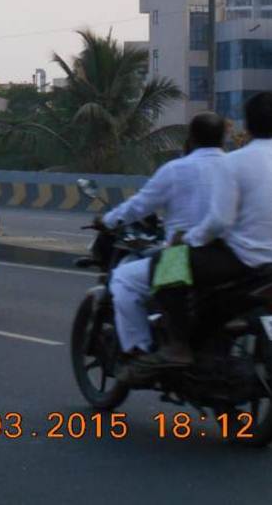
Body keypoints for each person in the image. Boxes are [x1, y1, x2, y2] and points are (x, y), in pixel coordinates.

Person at [159, 93, 272, 355]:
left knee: (171, 261)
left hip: (246, 263)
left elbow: (219, 221)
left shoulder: (234, 162)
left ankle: (178, 345)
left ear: (247, 125)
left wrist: (188, 239)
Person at [101, 112, 227, 376]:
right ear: (223, 138)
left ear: (191, 139)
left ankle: (139, 352)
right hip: (229, 258)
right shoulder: (234, 167)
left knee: (123, 279)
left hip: (184, 256)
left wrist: (107, 220)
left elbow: (138, 206)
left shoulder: (176, 170)